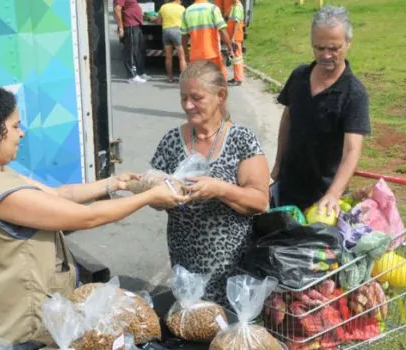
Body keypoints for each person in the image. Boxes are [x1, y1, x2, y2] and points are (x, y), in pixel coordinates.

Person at [0, 85, 185, 350]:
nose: (21, 133)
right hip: (12, 332)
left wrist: (115, 183)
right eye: (15, 126)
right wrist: (149, 197)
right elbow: (86, 217)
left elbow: (58, 195)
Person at [150, 61, 269, 306]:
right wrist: (156, 189)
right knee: (189, 326)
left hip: (231, 267)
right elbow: (154, 196)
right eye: (183, 98)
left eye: (196, 98)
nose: (188, 106)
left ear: (220, 95)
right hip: (185, 262)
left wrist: (220, 189)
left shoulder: (242, 140)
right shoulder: (172, 140)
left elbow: (260, 201)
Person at [271, 5, 371, 215]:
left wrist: (333, 194)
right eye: (319, 48)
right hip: (288, 188)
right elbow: (287, 119)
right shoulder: (299, 77)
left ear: (348, 44)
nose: (326, 55)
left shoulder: (354, 94)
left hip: (324, 201)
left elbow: (352, 150)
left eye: (334, 48)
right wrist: (278, 163)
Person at [181, 0, 234, 80]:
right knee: (218, 81)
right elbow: (222, 31)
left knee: (199, 82)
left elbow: (184, 37)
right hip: (212, 54)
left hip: (195, 56)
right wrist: (230, 48)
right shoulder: (213, 8)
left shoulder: (186, 11)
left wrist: (186, 54)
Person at [113, 0, 151, 83]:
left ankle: (140, 72)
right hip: (129, 26)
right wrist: (121, 27)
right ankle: (132, 76)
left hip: (136, 25)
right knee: (130, 52)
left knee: (139, 50)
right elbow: (117, 9)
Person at [152, 0, 186, 82]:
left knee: (168, 57)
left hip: (166, 31)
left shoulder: (163, 7)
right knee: (181, 57)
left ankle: (170, 78)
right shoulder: (182, 8)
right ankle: (184, 79)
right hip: (177, 31)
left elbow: (159, 22)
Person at [227, 0, 245, 86]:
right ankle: (236, 77)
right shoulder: (234, 5)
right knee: (235, 57)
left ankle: (238, 79)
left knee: (237, 57)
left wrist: (233, 37)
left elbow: (236, 23)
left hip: (236, 36)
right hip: (234, 36)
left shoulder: (237, 6)